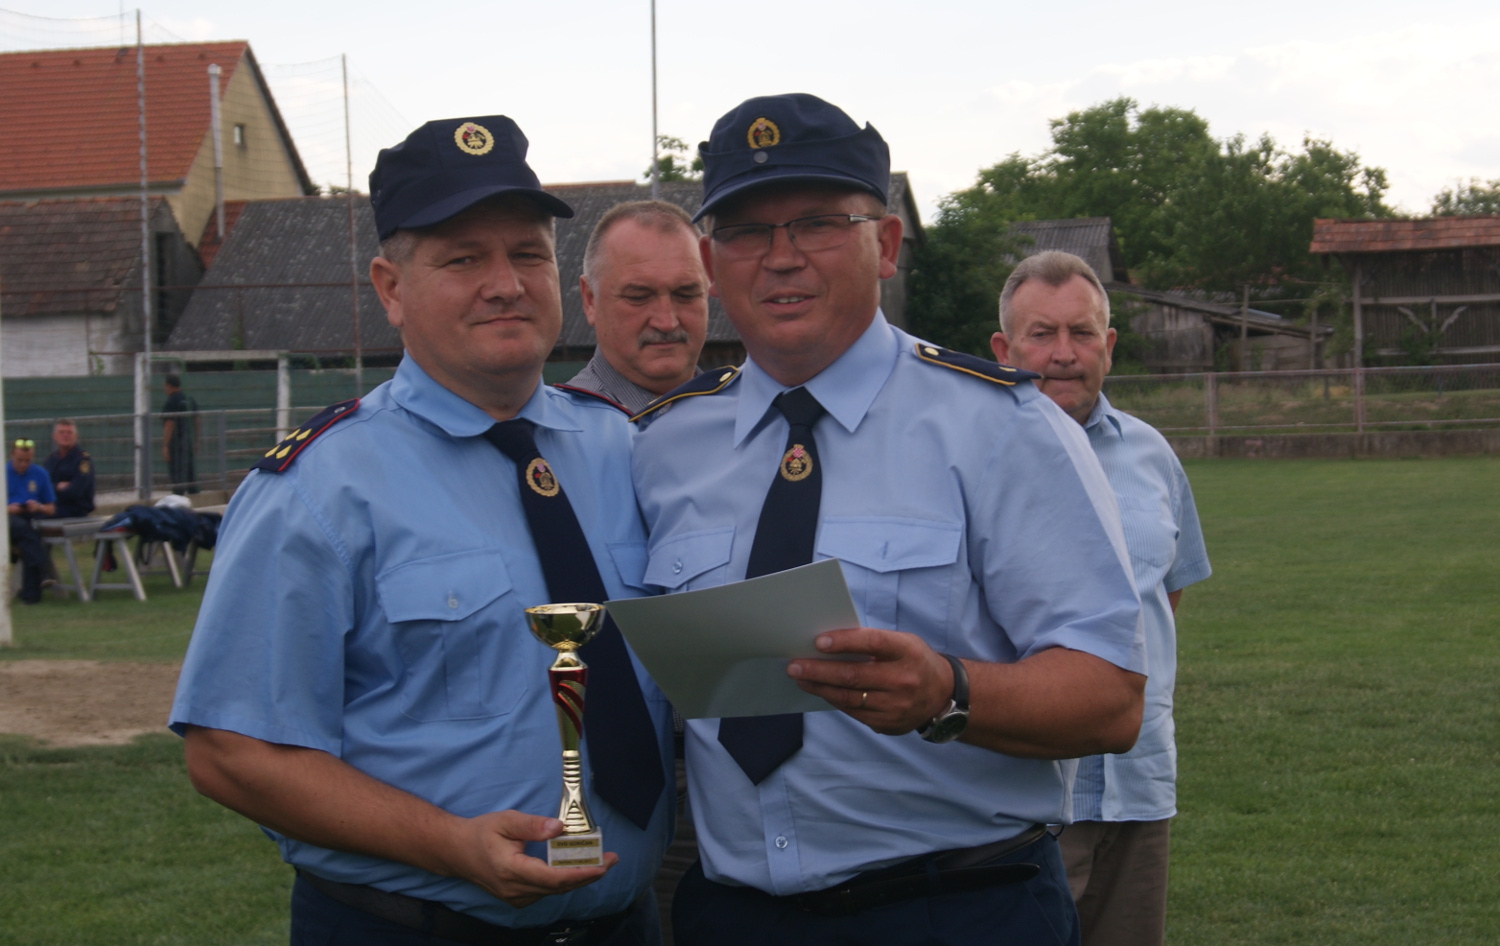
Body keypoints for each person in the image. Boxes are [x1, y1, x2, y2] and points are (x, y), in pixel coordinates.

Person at [631, 93, 1146, 946]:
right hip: (735, 914)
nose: (782, 258)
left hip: (958, 908)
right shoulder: (663, 446)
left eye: (818, 223)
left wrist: (951, 691)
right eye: (748, 232)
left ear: (889, 244)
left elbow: (1111, 699)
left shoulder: (1002, 428)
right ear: (712, 262)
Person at [170, 114, 674, 946]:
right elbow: (229, 750)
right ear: (391, 288)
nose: (505, 284)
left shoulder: (630, 452)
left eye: (527, 254)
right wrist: (448, 845)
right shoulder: (320, 487)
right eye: (463, 259)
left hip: (626, 925)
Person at [991, 250, 1212, 946]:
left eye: (1082, 333)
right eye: (1041, 334)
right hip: (1017, 802)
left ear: (1108, 346)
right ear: (1003, 348)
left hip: (1137, 789)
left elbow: (1165, 596)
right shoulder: (974, 458)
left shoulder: (1152, 456)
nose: (1064, 353)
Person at [564, 201, 708, 415]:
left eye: (685, 295)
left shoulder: (748, 418)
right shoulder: (560, 430)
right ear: (590, 300)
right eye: (638, 297)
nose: (667, 322)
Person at [7, 438, 56, 604]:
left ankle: (31, 597)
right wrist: (7, 509)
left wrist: (38, 507)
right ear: (11, 455)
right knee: (26, 531)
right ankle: (44, 572)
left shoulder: (40, 474)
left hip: (30, 518)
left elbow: (51, 508)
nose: (23, 464)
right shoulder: (2, 473)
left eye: (27, 461)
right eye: (19, 460)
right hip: (6, 521)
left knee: (30, 539)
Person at [42, 419, 96, 519]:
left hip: (75, 511)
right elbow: (42, 487)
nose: (65, 435)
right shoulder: (50, 460)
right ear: (54, 436)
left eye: (69, 433)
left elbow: (75, 491)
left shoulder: (82, 460)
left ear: (76, 436)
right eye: (61, 432)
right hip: (54, 507)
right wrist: (57, 486)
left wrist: (52, 489)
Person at [161, 374, 198, 495]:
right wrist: (196, 441)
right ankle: (193, 494)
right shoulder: (189, 399)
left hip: (175, 443)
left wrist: (165, 445)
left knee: (176, 471)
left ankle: (178, 494)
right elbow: (197, 421)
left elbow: (169, 424)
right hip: (188, 440)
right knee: (189, 470)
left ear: (169, 386)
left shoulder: (170, 402)